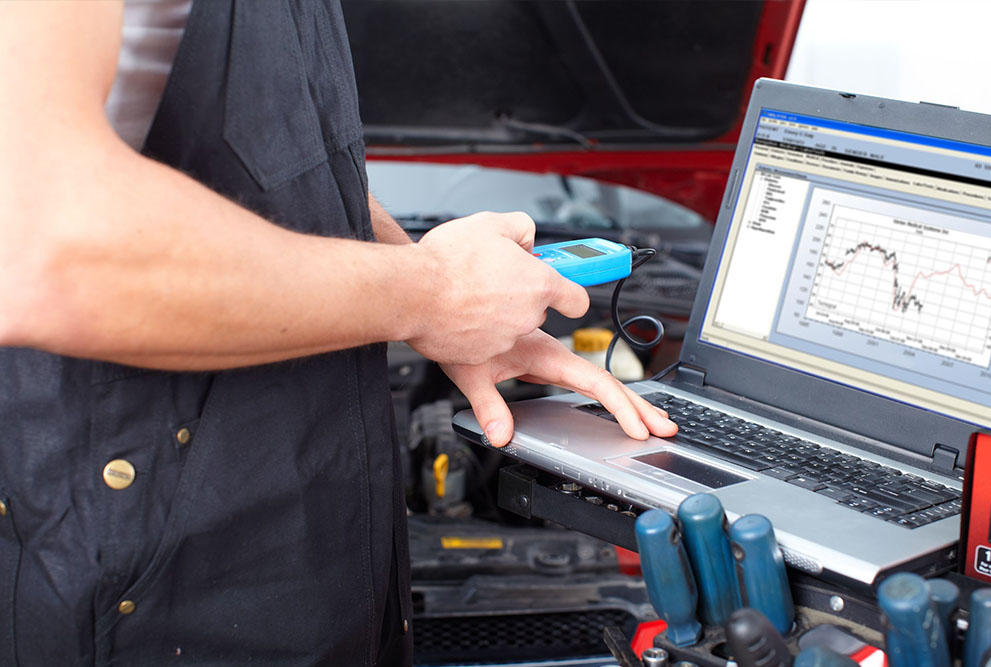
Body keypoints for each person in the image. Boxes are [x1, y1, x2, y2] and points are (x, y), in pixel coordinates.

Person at [0, 1, 677, 664]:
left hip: (320, 551)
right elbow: (40, 249)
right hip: (149, 570)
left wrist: (444, 293)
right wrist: (431, 295)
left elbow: (285, 165)